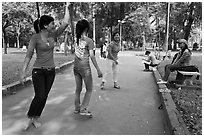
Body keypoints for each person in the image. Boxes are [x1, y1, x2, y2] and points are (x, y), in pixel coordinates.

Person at [20, 3, 70, 130]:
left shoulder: (53, 35)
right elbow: (29, 55)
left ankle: (36, 117)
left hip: (51, 71)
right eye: (52, 24)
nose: (55, 25)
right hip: (38, 71)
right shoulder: (35, 38)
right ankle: (29, 116)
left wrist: (67, 7)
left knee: (45, 96)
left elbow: (65, 23)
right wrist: (23, 72)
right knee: (40, 95)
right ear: (45, 26)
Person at [73, 19, 103, 117]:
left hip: (76, 68)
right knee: (89, 89)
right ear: (87, 28)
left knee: (78, 89)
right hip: (85, 68)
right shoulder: (89, 41)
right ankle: (83, 108)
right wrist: (98, 69)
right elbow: (92, 56)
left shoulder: (75, 39)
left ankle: (77, 108)